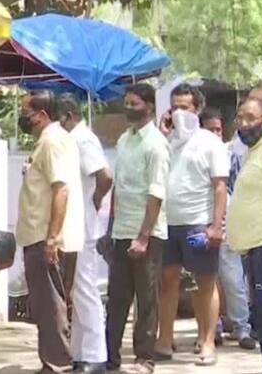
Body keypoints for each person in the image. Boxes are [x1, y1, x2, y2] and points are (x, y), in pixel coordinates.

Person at [155, 84, 229, 367]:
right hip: (168, 223)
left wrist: (216, 226)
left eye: (185, 107)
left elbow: (220, 187)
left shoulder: (209, 142)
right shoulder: (166, 140)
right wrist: (163, 134)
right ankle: (164, 341)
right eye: (174, 107)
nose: (178, 112)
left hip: (198, 223)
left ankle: (207, 341)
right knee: (167, 282)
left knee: (205, 284)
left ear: (197, 109)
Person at [100, 83, 168, 374]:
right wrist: (111, 229)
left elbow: (156, 193)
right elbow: (118, 188)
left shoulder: (156, 144)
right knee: (116, 300)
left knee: (146, 299)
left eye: (134, 103)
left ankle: (145, 359)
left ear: (149, 107)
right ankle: (109, 358)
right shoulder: (124, 140)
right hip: (121, 232)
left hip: (147, 235)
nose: (128, 107)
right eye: (126, 102)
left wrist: (143, 236)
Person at [16, 89, 84, 374]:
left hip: (47, 238)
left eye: (25, 113)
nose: (22, 118)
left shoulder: (53, 141)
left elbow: (61, 189)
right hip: (43, 236)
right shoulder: (52, 140)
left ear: (42, 116)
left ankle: (57, 364)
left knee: (51, 305)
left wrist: (52, 238)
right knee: (48, 305)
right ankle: (53, 361)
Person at [56, 94, 113, 374]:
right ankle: (80, 354)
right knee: (77, 292)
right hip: (74, 226)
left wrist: (95, 201)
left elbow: (105, 176)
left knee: (86, 289)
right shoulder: (71, 139)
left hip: (85, 225)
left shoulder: (83, 139)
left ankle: (95, 356)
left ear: (68, 116)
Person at [199, 107, 256, 350]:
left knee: (233, 277)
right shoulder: (194, 152)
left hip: (226, 224)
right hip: (199, 225)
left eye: (218, 130)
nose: (215, 134)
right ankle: (213, 329)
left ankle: (242, 327)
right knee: (205, 279)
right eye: (210, 129)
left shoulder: (230, 154)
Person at [227, 97, 262, 374]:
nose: (243, 123)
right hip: (255, 252)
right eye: (239, 117)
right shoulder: (252, 153)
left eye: (250, 117)